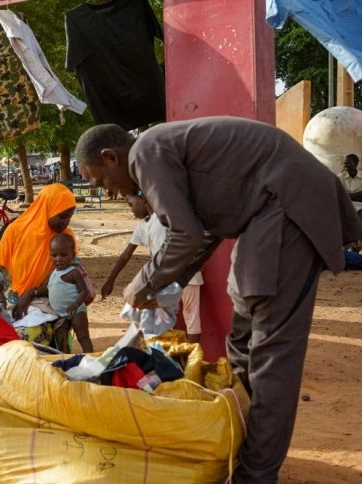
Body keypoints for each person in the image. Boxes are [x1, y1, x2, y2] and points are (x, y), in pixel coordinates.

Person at [74, 117, 362, 483]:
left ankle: (256, 474)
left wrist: (142, 283)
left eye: (100, 181)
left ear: (110, 157)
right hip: (265, 215)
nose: (108, 191)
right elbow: (203, 230)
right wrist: (164, 287)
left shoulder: (146, 153)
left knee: (271, 355)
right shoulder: (156, 151)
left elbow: (185, 235)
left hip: (286, 207)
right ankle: (238, 442)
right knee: (241, 339)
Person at [102, 191, 204, 343]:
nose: (131, 210)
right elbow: (125, 256)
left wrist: (111, 280)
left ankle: (191, 357)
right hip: (178, 277)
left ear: (143, 198)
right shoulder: (142, 227)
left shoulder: (165, 216)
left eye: (131, 205)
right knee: (185, 317)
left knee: (185, 316)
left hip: (176, 276)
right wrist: (110, 280)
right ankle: (181, 357)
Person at [0, 183, 76, 347]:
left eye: (70, 216)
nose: (66, 222)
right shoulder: (15, 230)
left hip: (47, 301)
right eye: (62, 216)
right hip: (12, 301)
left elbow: (68, 277)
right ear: (47, 209)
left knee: (23, 339)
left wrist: (32, 293)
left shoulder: (65, 238)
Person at [40, 233, 94, 353]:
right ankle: (67, 360)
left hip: (76, 311)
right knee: (61, 338)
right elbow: (48, 288)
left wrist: (76, 304)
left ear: (73, 255)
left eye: (63, 255)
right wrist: (33, 292)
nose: (58, 259)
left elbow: (83, 291)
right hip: (61, 314)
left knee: (83, 336)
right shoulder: (53, 273)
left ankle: (91, 360)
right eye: (54, 255)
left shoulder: (73, 272)